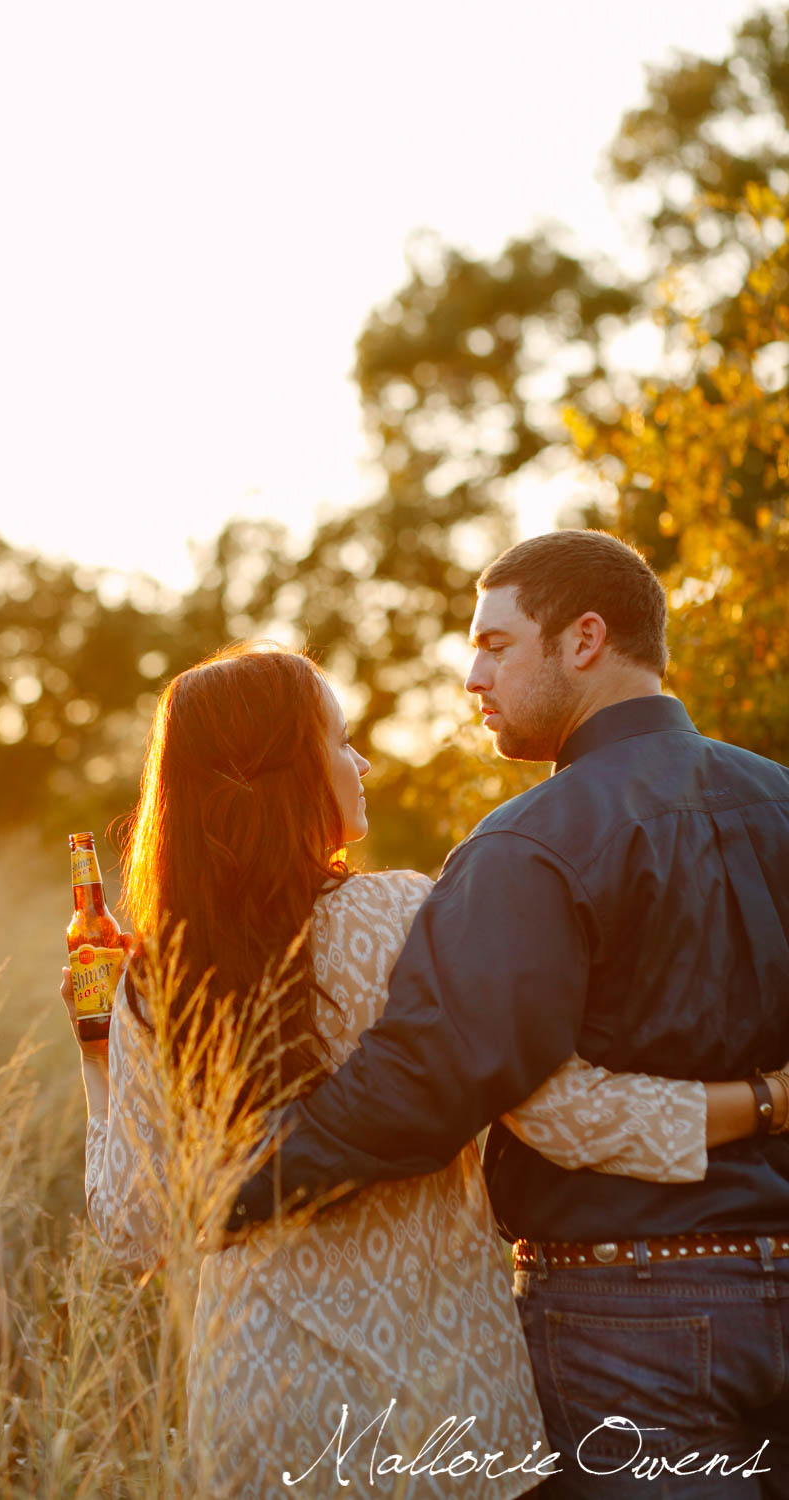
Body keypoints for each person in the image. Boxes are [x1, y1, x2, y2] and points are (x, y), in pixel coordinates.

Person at [62, 639, 776, 1499]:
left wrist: (97, 1052)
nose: (359, 761)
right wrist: (764, 1100)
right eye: (339, 740)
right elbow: (556, 1114)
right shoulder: (405, 913)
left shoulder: (155, 978)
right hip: (445, 1403)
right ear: (291, 773)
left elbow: (133, 1229)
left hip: (261, 1406)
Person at [227, 531, 789, 1496]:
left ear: (583, 639)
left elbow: (429, 1081)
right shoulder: (781, 801)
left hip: (628, 1320)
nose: (471, 676)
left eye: (495, 645)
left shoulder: (529, 844)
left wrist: (233, 1184)